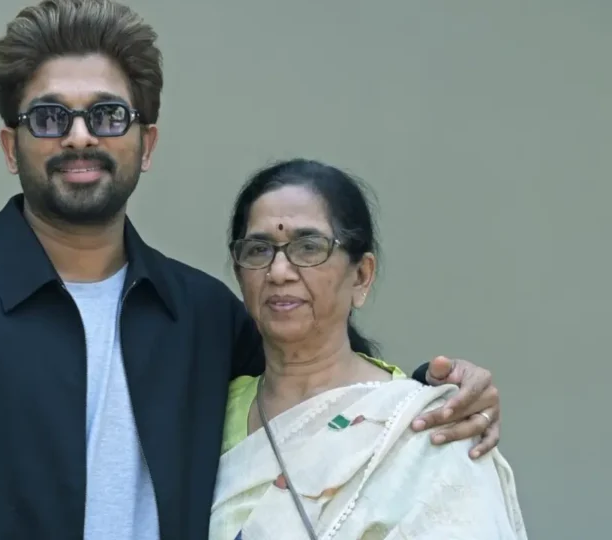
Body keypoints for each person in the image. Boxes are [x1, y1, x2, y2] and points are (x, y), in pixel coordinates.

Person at [0, 1, 504, 539]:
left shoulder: (201, 316)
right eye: (49, 117)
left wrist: (431, 394)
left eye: (108, 114)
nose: (80, 135)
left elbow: (315, 397)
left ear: (147, 143)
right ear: (10, 147)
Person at [210, 159, 526, 540]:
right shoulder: (205, 412)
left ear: (361, 276)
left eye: (308, 247)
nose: (278, 271)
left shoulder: (424, 425)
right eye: (258, 250)